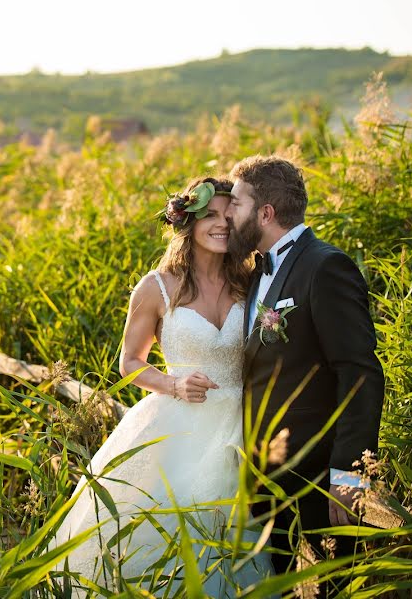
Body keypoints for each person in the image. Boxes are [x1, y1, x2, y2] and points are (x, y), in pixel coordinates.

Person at [49, 177, 275, 597]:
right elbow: (130, 363)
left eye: (229, 215)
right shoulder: (157, 287)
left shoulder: (252, 280)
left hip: (242, 424)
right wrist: (173, 383)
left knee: (234, 534)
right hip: (179, 426)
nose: (222, 224)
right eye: (210, 215)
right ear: (187, 222)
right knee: (170, 528)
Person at [223, 155, 385, 584]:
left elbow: (360, 372)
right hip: (266, 480)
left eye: (235, 204)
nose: (227, 213)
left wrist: (351, 471)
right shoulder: (255, 273)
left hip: (317, 482)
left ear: (266, 213)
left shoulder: (325, 267)